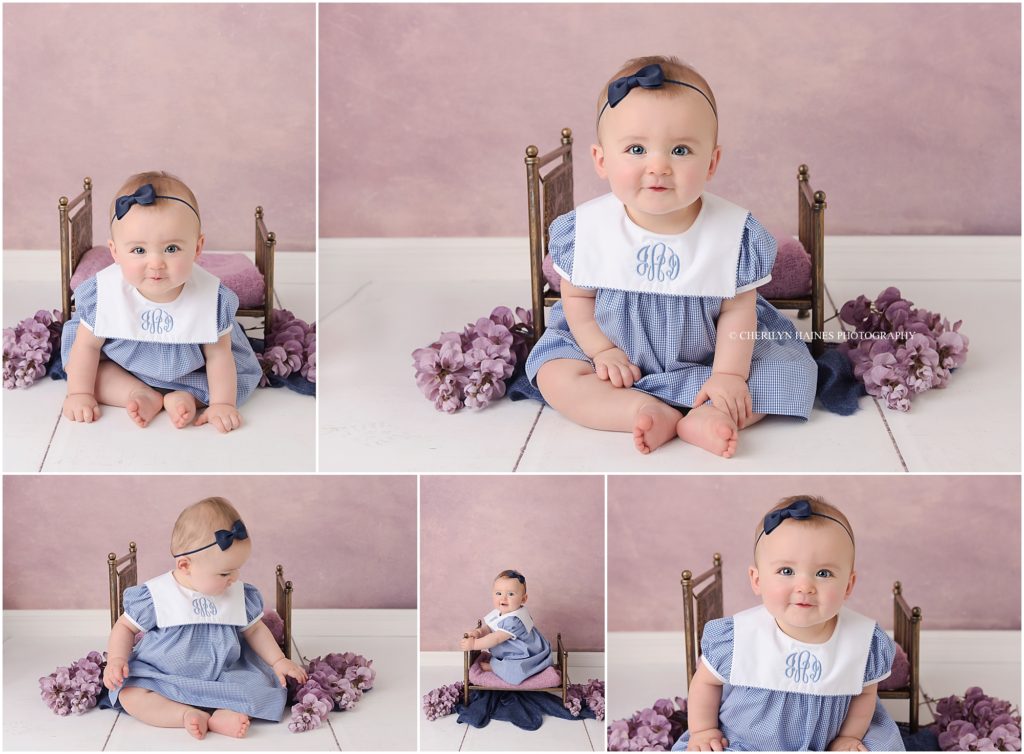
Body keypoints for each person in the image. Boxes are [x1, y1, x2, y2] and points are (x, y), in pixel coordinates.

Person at [525, 56, 817, 457]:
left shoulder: (734, 235)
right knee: (555, 374)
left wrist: (729, 375)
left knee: (788, 372)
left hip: (712, 353)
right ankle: (639, 409)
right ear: (601, 160)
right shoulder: (587, 231)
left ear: (711, 162)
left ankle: (713, 412)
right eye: (636, 149)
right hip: (613, 355)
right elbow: (576, 302)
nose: (658, 166)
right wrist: (601, 350)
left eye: (680, 149)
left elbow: (737, 312)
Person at [676, 496, 904, 751]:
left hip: (828, 740)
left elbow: (864, 694)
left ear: (848, 585)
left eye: (823, 573)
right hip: (746, 742)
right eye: (786, 571)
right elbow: (705, 683)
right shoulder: (740, 636)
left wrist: (849, 737)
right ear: (757, 579)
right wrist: (704, 730)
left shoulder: (862, 641)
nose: (805, 586)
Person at [61, 171, 262, 432]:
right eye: (139, 250)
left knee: (232, 377)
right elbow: (87, 347)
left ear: (197, 248)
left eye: (171, 249)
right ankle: (137, 392)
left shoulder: (212, 300)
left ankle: (187, 397)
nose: (155, 263)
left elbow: (218, 356)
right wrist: (79, 394)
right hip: (123, 363)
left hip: (191, 368)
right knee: (83, 368)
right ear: (115, 252)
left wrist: (222, 404)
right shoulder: (103, 294)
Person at [102, 497, 307, 739]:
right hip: (165, 675)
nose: (233, 578)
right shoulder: (158, 595)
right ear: (185, 565)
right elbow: (124, 627)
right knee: (130, 693)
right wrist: (116, 659)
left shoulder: (235, 593)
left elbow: (255, 630)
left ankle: (224, 712)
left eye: (236, 569)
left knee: (263, 686)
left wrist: (278, 661)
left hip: (225, 672)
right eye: (224, 572)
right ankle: (185, 715)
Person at [459, 569, 553, 684]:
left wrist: (474, 644)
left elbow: (496, 638)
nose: (503, 598)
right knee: (505, 659)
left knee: (517, 669)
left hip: (526, 654)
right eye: (499, 593)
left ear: (523, 599)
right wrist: (479, 633)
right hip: (516, 649)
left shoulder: (514, 620)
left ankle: (495, 668)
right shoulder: (500, 612)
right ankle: (499, 665)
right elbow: (489, 628)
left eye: (511, 594)